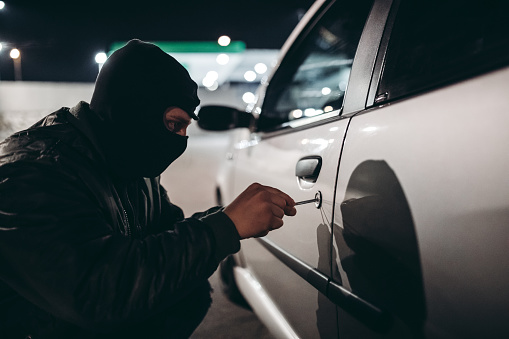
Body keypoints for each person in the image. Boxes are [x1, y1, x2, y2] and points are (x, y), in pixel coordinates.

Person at [0, 39, 296, 338]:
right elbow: (96, 291)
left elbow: (165, 237)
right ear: (134, 109)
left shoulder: (129, 162)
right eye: (172, 124)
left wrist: (224, 216)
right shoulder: (32, 171)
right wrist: (224, 226)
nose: (180, 140)